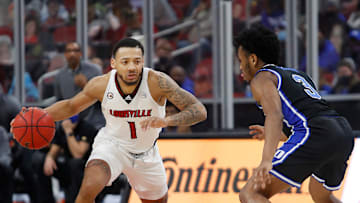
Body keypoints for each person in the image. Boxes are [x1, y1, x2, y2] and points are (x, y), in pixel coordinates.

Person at [12, 38, 207, 203]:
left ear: (143, 62)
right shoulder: (101, 84)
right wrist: (36, 115)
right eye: (125, 61)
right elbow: (71, 106)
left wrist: (167, 121)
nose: (132, 67)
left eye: (137, 61)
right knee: (89, 187)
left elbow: (199, 110)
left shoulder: (158, 81)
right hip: (112, 146)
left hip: (146, 152)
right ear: (113, 63)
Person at [233, 24, 354, 203]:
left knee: (251, 194)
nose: (240, 68)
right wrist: (277, 134)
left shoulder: (262, 78)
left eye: (240, 61)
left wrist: (267, 160)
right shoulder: (296, 74)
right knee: (321, 195)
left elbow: (274, 115)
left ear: (252, 59)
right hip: (343, 132)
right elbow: (306, 114)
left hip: (317, 132)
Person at [32, 114, 97, 203]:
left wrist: (68, 131)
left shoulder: (86, 128)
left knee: (75, 163)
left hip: (87, 171)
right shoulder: (61, 129)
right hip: (69, 169)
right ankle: (46, 200)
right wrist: (49, 158)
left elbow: (78, 154)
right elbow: (54, 149)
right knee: (41, 161)